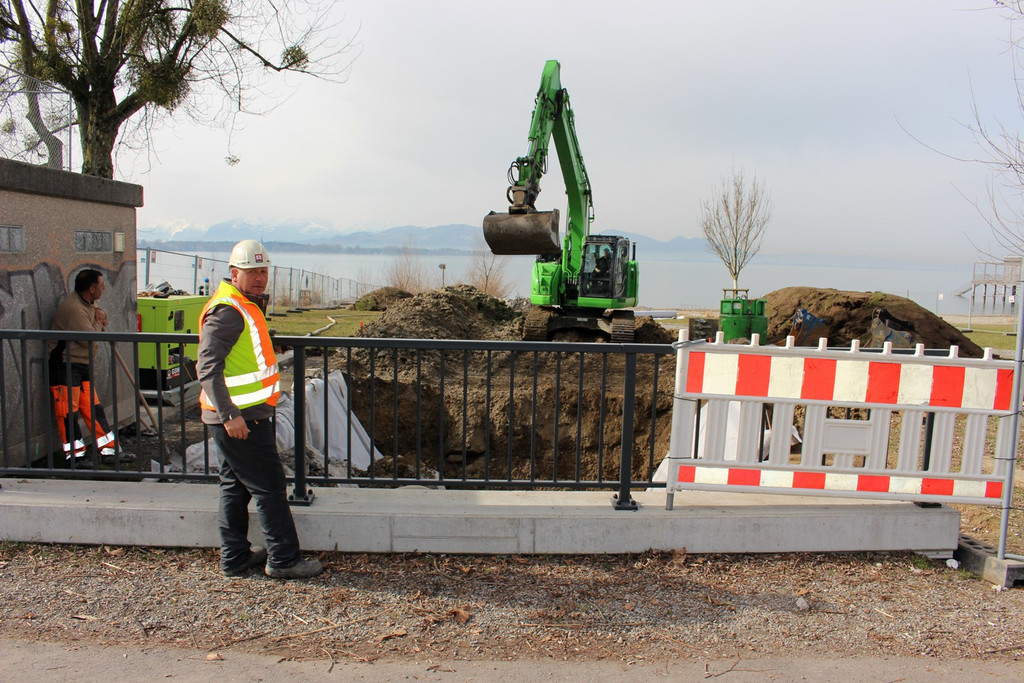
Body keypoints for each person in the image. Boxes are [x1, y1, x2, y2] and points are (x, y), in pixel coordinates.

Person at [196, 239, 323, 580]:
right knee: (269, 485)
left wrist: (273, 343)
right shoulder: (228, 310)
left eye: (263, 271)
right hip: (240, 417)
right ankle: (283, 559)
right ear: (234, 273)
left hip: (245, 413)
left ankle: (234, 557)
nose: (259, 278)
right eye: (252, 272)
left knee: (233, 485)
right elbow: (207, 366)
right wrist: (229, 415)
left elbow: (245, 352)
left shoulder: (243, 304)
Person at [48, 269, 117, 461]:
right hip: (65, 365)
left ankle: (108, 449)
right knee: (68, 411)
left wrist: (99, 318)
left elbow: (101, 318)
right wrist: (98, 322)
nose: (104, 288)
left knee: (93, 407)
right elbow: (90, 342)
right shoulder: (75, 310)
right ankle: (75, 456)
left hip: (81, 365)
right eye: (101, 284)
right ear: (92, 288)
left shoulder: (89, 302)